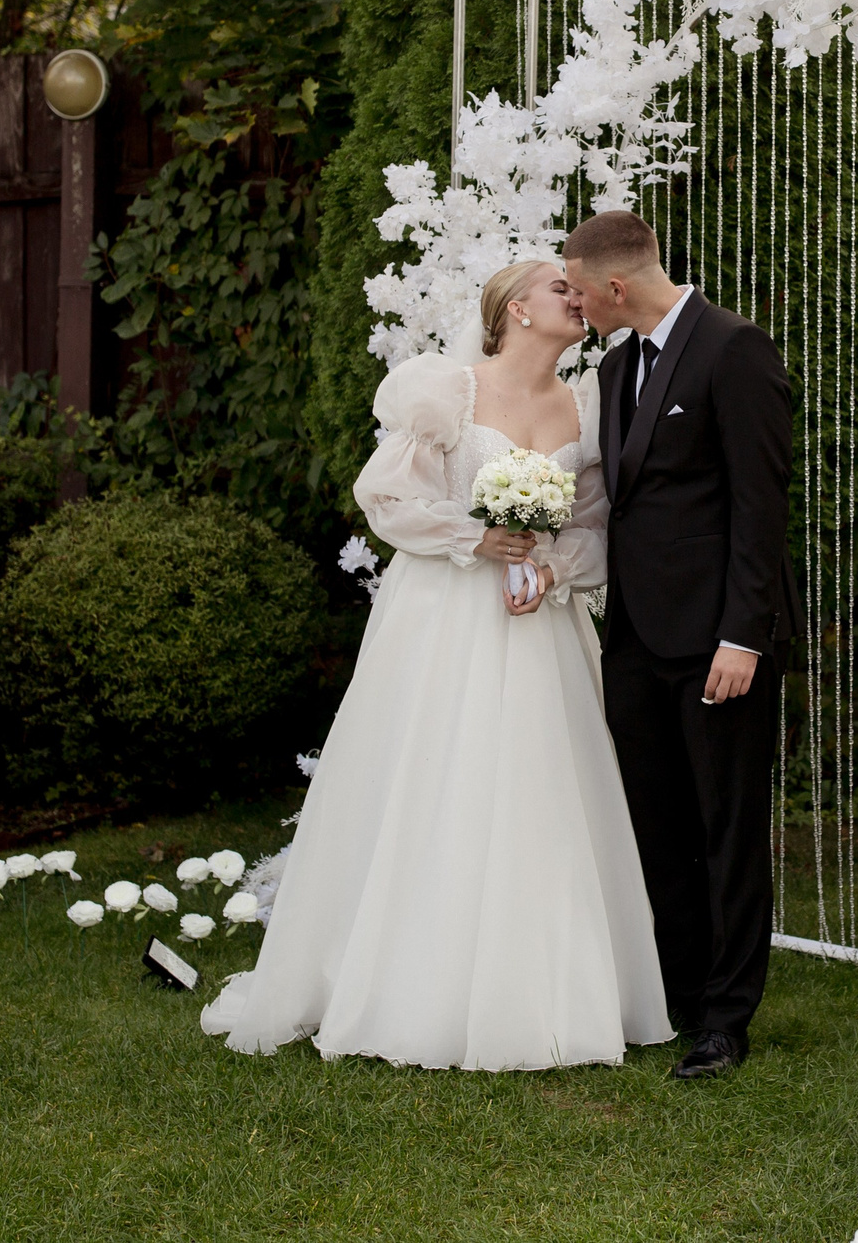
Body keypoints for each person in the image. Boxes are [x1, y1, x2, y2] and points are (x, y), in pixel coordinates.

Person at [198, 262, 669, 1069]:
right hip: (444, 618)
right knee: (433, 777)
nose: (577, 298)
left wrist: (549, 567)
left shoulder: (586, 407)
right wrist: (474, 537)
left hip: (538, 628)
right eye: (562, 288)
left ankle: (541, 989)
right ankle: (407, 979)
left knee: (539, 787)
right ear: (517, 308)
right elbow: (386, 497)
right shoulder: (445, 389)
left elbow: (594, 529)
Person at [562, 209, 803, 1079]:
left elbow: (759, 507)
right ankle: (678, 993)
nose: (576, 305)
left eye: (581, 291)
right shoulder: (618, 363)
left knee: (726, 827)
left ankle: (726, 1021)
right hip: (634, 638)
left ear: (616, 285)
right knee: (656, 826)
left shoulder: (734, 350)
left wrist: (743, 636)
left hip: (717, 643)